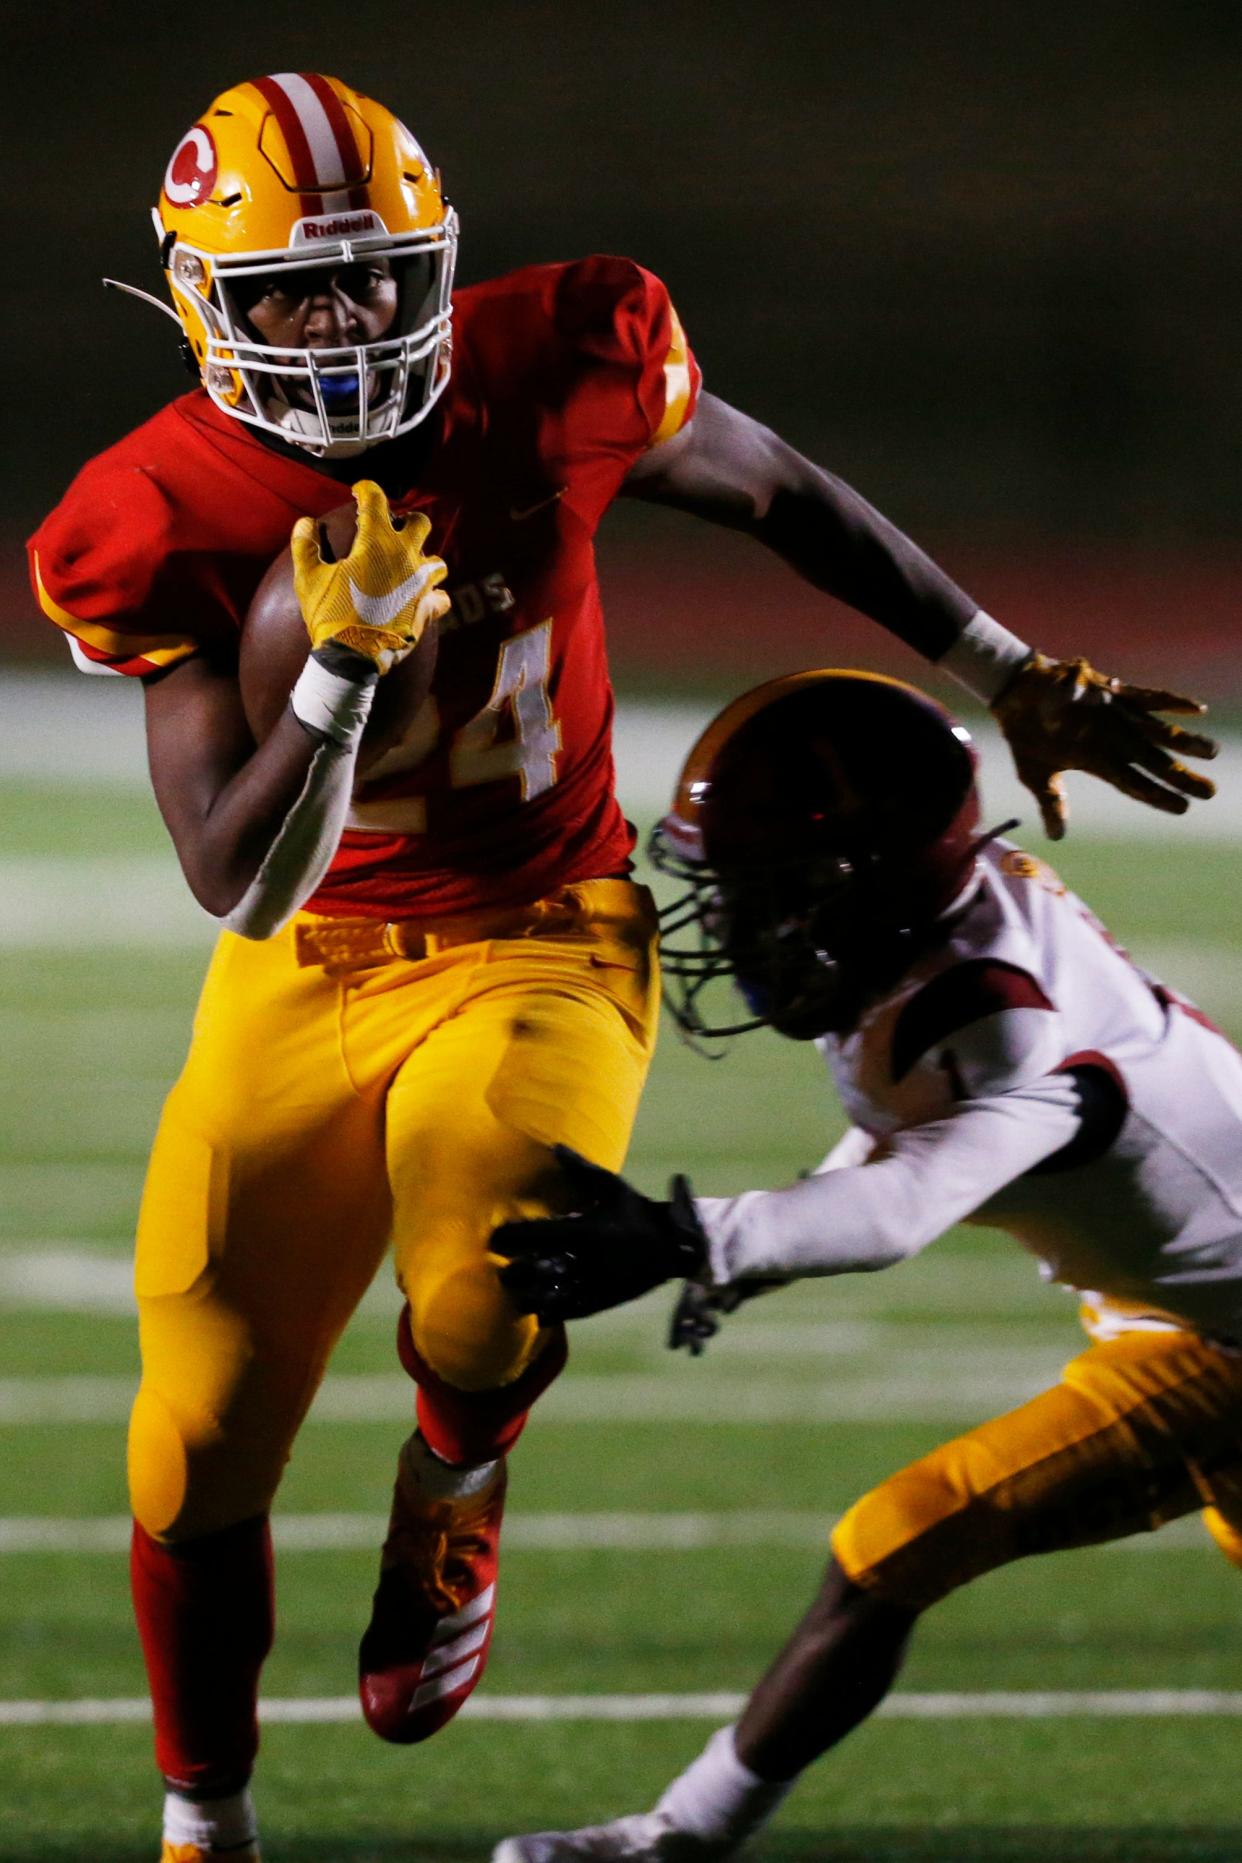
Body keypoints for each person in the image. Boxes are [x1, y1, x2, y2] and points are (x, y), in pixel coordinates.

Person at [26, 71, 1217, 1863]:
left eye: (375, 277)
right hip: (309, 948)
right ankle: (204, 1815)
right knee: (192, 1433)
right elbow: (235, 883)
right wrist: (341, 680)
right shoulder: (147, 510)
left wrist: (998, 658)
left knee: (489, 1280)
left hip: (539, 927)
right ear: (208, 298)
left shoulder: (557, 356)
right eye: (294, 291)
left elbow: (774, 487)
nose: (345, 322)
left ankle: (454, 1470)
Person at [489, 668, 1242, 1861]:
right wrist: (747, 1253)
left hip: (1223, 1334)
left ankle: (677, 1842)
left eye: (767, 890)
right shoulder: (946, 923)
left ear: (873, 878)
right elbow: (913, 1127)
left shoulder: (989, 1008)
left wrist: (700, 1236)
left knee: (894, 1542)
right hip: (1169, 1305)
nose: (733, 923)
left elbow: (907, 1201)